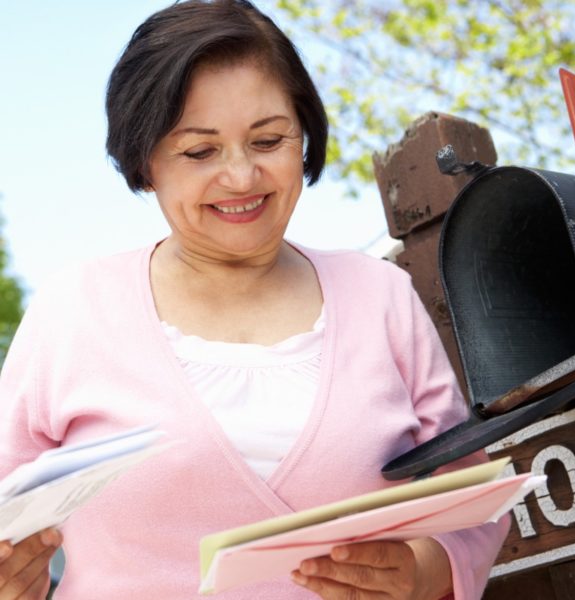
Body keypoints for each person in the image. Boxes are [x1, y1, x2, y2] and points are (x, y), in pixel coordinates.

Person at [0, 1, 509, 598]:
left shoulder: (380, 296)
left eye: (267, 140)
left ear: (305, 137)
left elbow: (471, 501)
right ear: (145, 161)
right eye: (199, 151)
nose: (242, 177)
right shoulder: (74, 310)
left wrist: (423, 570)